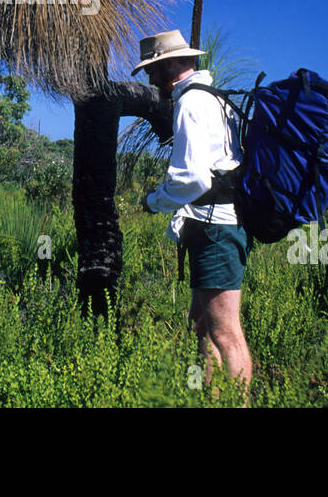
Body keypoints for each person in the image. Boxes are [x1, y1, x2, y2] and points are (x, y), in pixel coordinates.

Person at [133, 29, 251, 388]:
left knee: (226, 333)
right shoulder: (216, 99)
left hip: (216, 230)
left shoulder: (190, 104)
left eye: (153, 70)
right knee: (202, 323)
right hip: (219, 225)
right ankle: (208, 395)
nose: (152, 79)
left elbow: (194, 180)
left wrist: (153, 201)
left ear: (170, 65)